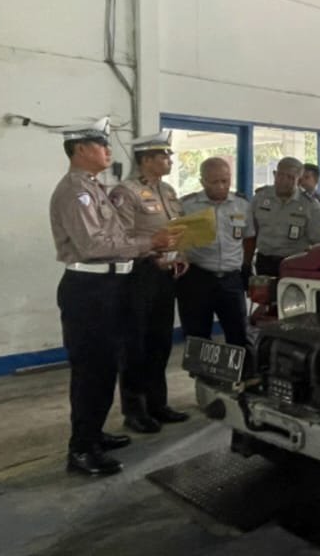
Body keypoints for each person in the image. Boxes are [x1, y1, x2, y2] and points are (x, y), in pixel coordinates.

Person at [48, 120, 180, 477]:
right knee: (92, 370)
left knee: (106, 367)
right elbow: (93, 246)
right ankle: (81, 450)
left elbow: (116, 237)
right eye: (100, 144)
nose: (108, 150)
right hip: (89, 289)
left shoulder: (93, 187)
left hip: (109, 286)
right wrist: (149, 244)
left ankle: (92, 433)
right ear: (80, 150)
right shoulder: (76, 192)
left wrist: (149, 254)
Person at [110, 131, 190, 433]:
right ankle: (135, 409)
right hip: (138, 275)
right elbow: (121, 238)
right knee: (135, 344)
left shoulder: (168, 191)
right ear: (145, 160)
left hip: (166, 275)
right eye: (163, 156)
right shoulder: (125, 192)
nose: (169, 160)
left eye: (168, 155)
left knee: (160, 341)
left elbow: (177, 229)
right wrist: (150, 250)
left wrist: (180, 254)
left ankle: (158, 403)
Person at [175, 157, 255, 351]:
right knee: (197, 335)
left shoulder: (242, 205)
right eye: (215, 181)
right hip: (197, 277)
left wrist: (244, 266)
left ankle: (242, 377)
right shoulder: (187, 206)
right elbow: (175, 239)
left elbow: (249, 238)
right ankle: (203, 379)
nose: (221, 186)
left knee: (238, 334)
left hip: (231, 279)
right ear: (203, 181)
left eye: (225, 181)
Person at [252, 156, 320, 277]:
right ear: (274, 174)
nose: (284, 181)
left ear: (299, 180)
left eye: (290, 177)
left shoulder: (310, 205)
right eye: (280, 175)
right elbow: (251, 233)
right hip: (264, 262)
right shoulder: (260, 198)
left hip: (294, 263)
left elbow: (319, 242)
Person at [299, 162, 320, 229]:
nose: (302, 181)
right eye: (300, 178)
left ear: (316, 180)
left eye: (306, 177)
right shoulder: (291, 198)